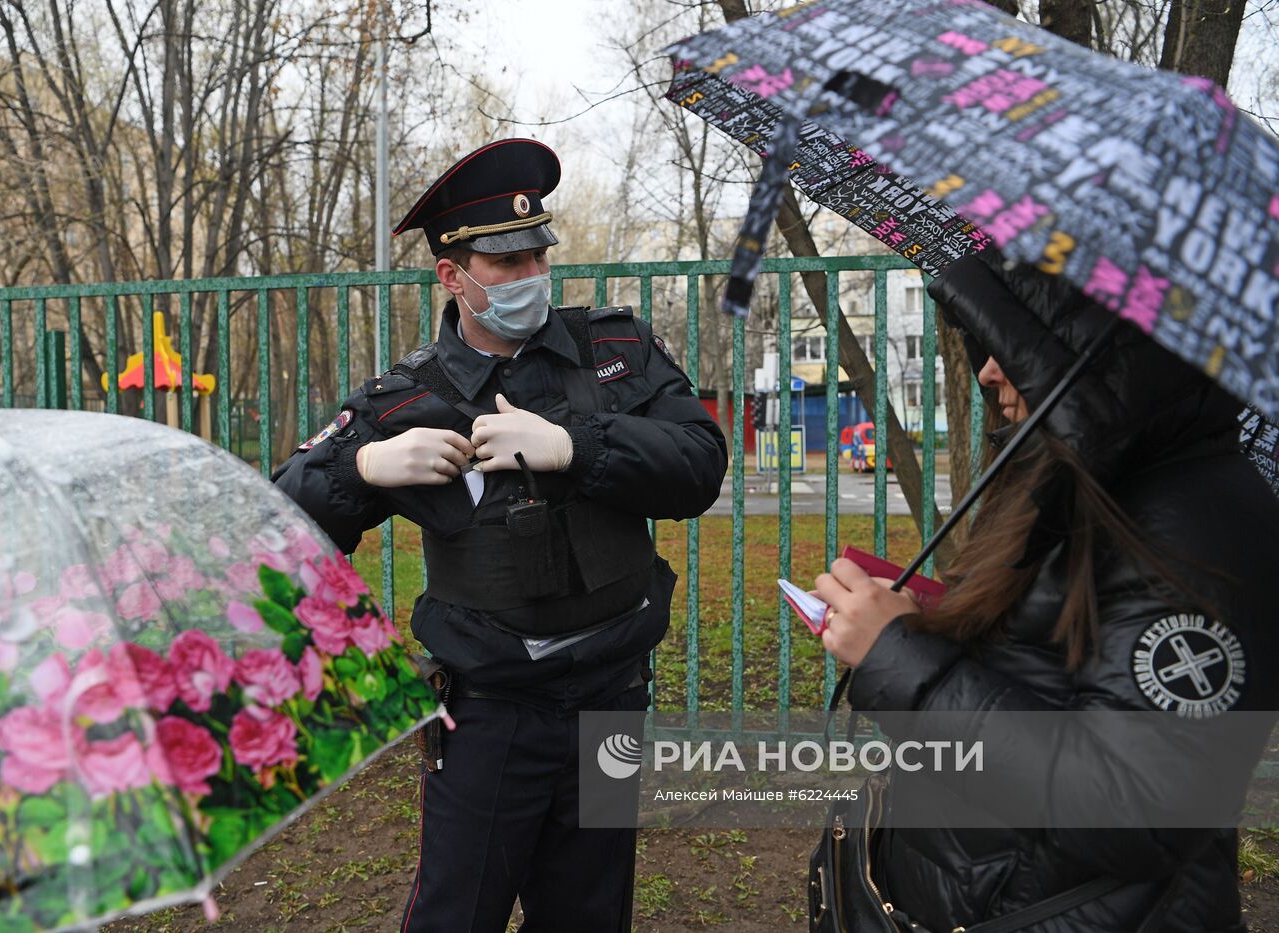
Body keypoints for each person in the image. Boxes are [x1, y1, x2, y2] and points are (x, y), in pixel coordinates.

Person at [272, 138, 727, 932]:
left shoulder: (615, 352)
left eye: (537, 255)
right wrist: (366, 465)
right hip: (488, 717)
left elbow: (700, 464)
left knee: (590, 915)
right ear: (452, 275)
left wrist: (579, 446)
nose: (529, 277)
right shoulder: (408, 398)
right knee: (458, 914)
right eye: (505, 263)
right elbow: (280, 523)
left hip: (609, 704)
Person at [813, 254, 1279, 931]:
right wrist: (919, 623)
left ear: (1111, 344)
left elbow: (1139, 808)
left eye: (1018, 339)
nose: (988, 369)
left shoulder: (1193, 527)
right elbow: (1051, 662)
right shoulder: (1090, 475)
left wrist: (903, 661)